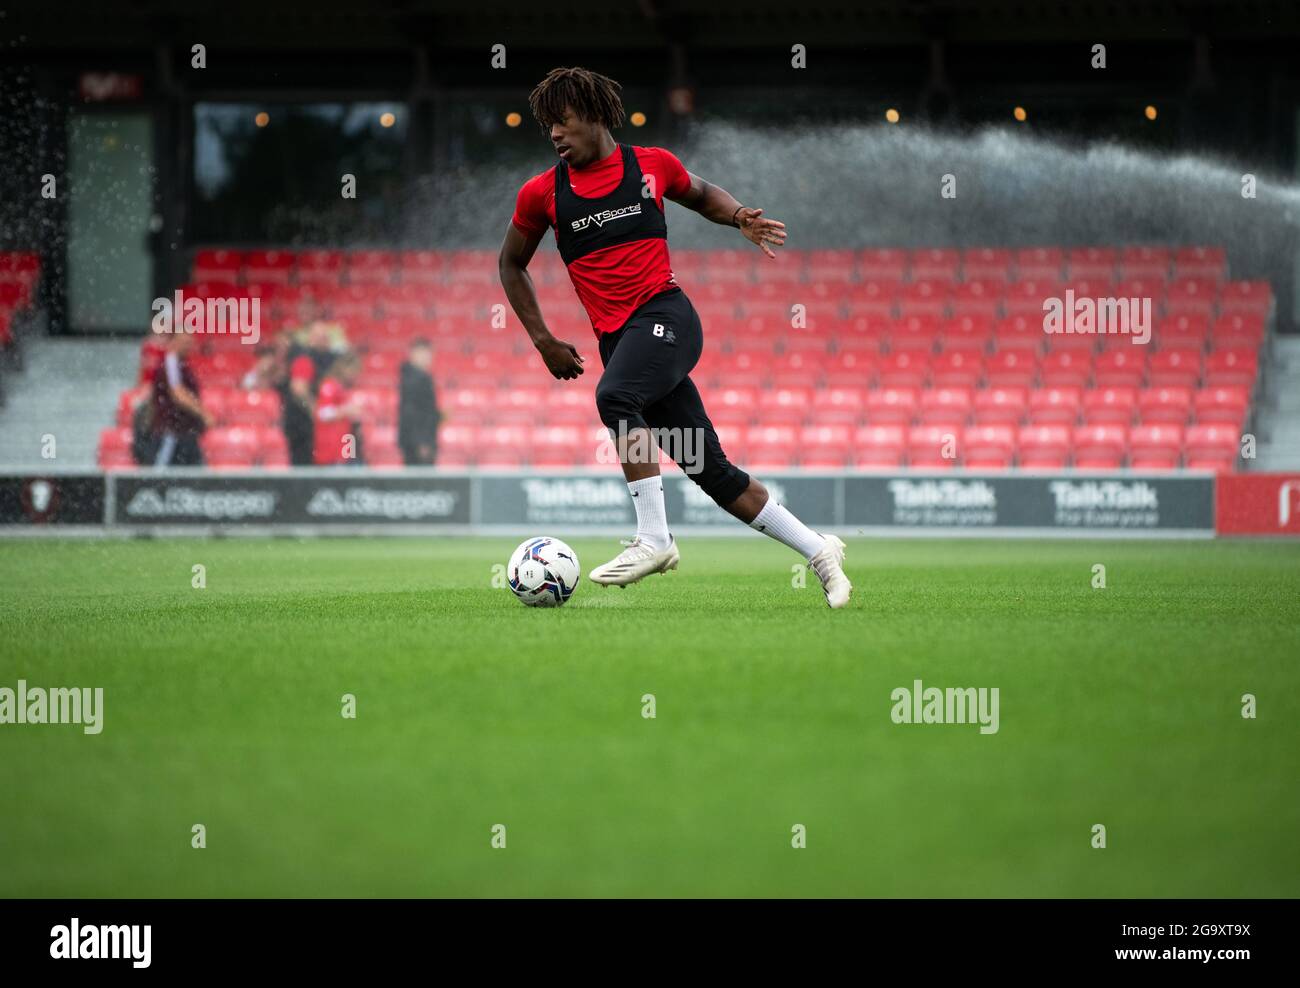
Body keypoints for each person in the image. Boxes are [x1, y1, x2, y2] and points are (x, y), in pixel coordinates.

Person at [498, 67, 851, 607]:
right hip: (622, 344)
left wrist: (738, 217)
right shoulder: (543, 192)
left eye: (562, 122)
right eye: (548, 126)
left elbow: (702, 193)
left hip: (667, 318)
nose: (554, 134)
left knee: (614, 397)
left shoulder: (651, 165)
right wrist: (543, 339)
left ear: (593, 116)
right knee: (712, 471)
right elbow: (510, 264)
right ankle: (819, 550)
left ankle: (655, 540)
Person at [151, 332, 213, 467]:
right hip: (171, 432)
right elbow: (178, 393)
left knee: (193, 477)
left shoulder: (181, 363)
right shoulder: (170, 361)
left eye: (189, 343)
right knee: (161, 477)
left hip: (186, 432)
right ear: (173, 342)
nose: (188, 346)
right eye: (185, 343)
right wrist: (203, 413)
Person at [282, 321, 338, 466]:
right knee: (305, 467)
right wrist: (315, 410)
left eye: (326, 337)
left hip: (311, 427)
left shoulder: (326, 359)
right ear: (311, 339)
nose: (324, 341)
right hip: (302, 425)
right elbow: (299, 389)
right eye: (320, 337)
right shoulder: (305, 358)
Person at [313, 353, 365, 466]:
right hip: (331, 445)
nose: (354, 375)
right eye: (353, 370)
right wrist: (346, 410)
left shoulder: (342, 388)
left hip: (344, 445)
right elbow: (323, 413)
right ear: (344, 368)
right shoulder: (329, 386)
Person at [398, 338, 442, 466]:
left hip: (413, 440)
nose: (429, 358)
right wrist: (422, 442)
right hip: (419, 442)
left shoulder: (407, 376)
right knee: (421, 482)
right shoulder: (419, 378)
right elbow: (414, 412)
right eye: (425, 353)